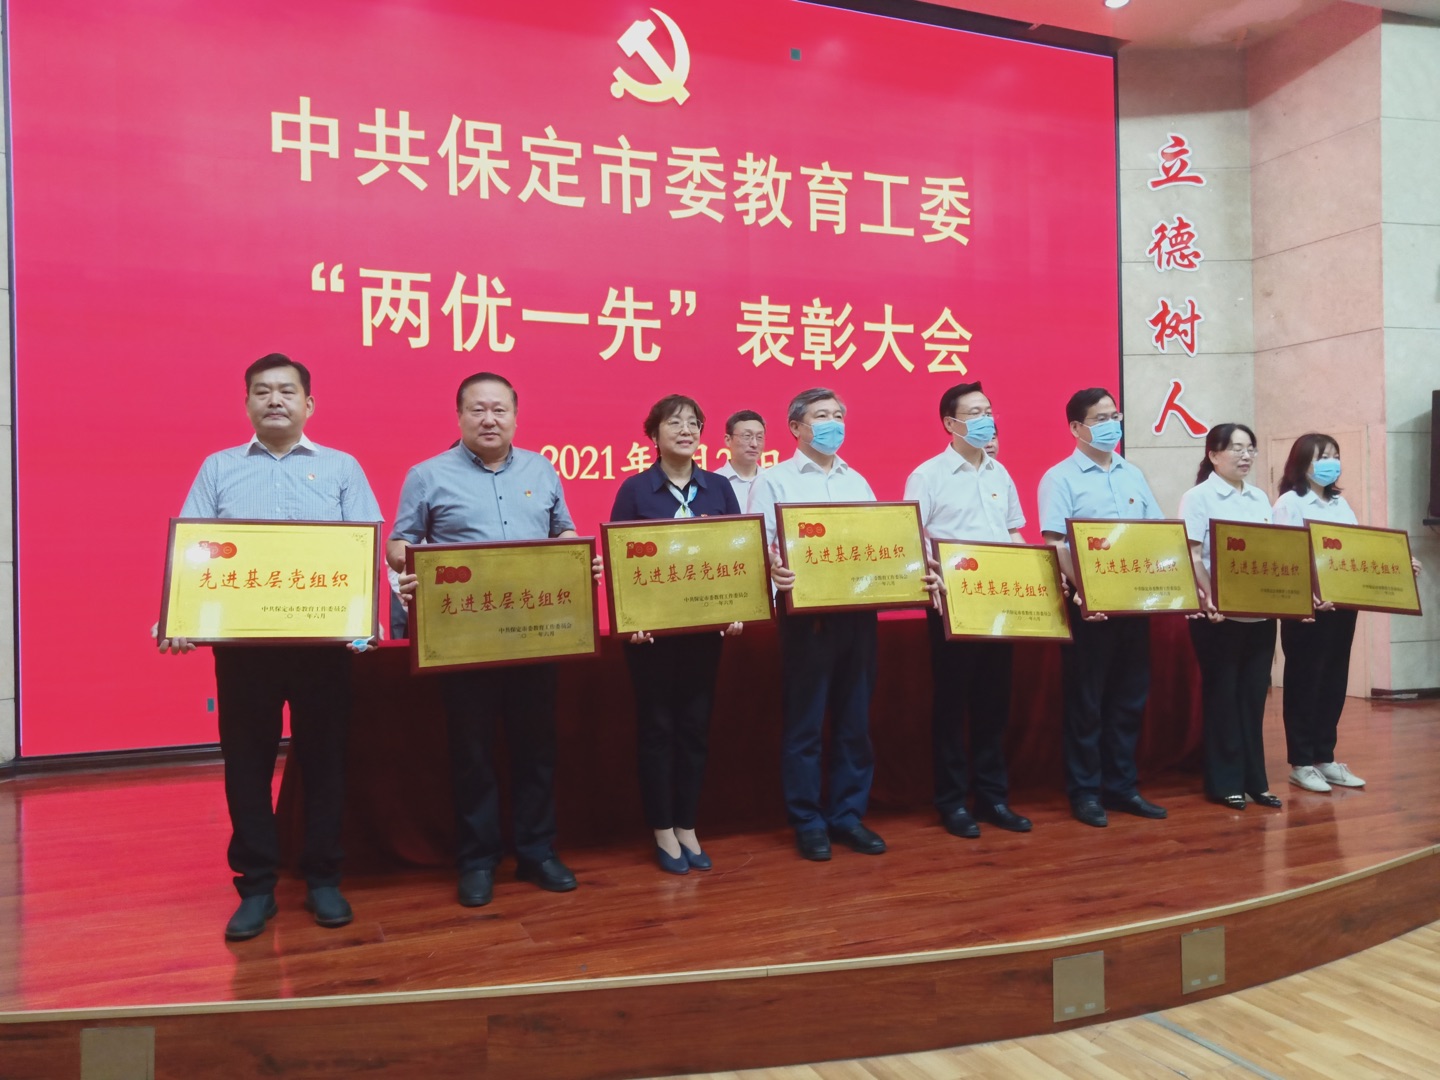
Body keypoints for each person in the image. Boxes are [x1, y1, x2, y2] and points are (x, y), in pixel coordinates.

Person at [157, 353, 382, 941]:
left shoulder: (341, 468)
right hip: (244, 651)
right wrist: (180, 616)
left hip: (322, 649)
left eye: (286, 391)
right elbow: (194, 553)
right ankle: (256, 885)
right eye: (262, 391)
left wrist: (367, 621)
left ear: (309, 403)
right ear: (247, 403)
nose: (275, 400)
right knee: (247, 763)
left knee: (326, 760)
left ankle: (323, 877)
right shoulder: (219, 468)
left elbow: (365, 551)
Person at [389, 372, 586, 907]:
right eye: (478, 409)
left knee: (536, 749)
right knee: (472, 753)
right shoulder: (427, 475)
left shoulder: (541, 469)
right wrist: (413, 566)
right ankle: (478, 860)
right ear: (459, 416)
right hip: (465, 640)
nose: (489, 419)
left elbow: (562, 530)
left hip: (535, 634)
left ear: (516, 417)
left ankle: (537, 852)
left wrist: (578, 557)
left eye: (500, 409)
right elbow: (399, 543)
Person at [609, 395, 743, 874]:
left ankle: (687, 824)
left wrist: (737, 606)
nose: (686, 430)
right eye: (674, 423)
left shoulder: (718, 489)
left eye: (693, 423)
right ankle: (662, 828)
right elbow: (621, 563)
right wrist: (630, 619)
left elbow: (736, 552)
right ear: (654, 433)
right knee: (658, 730)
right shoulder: (635, 490)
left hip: (703, 634)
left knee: (694, 729)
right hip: (652, 637)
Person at [904, 381, 1032, 838]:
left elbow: (1014, 533)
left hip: (1000, 603)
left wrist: (1034, 575)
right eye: (975, 413)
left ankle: (993, 798)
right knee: (952, 705)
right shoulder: (928, 475)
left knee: (993, 704)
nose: (986, 420)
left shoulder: (1000, 473)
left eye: (989, 411)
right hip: (952, 606)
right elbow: (912, 537)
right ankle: (953, 802)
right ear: (950, 423)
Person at [1038, 388, 1168, 828]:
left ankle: (1122, 786)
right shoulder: (1060, 478)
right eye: (1101, 418)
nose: (1112, 424)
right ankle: (1085, 792)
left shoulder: (1133, 474)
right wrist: (1087, 590)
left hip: (1133, 603)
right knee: (1086, 703)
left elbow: (1156, 534)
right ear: (1077, 428)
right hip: (1087, 608)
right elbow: (1056, 544)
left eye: (1115, 416)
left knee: (1128, 700)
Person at [1272, 434, 1420, 793]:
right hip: (1307, 611)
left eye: (1335, 455)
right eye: (1323, 456)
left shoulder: (1340, 503)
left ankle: (1325, 757)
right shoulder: (1290, 503)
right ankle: (1301, 763)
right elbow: (1283, 556)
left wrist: (1400, 564)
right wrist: (1306, 595)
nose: (1331, 462)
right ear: (1302, 462)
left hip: (1342, 607)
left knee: (1334, 681)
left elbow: (1358, 552)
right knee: (1305, 682)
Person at [1178, 423, 1282, 811]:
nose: (1245, 455)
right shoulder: (1198, 497)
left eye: (1250, 448)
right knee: (1223, 697)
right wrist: (1210, 596)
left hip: (1259, 616)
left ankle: (1256, 781)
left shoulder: (1259, 497)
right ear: (1213, 454)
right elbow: (1192, 555)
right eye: (1236, 448)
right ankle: (1224, 783)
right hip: (1217, 617)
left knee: (1254, 698)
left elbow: (1271, 553)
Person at [715, 409, 767, 511]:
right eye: (747, 436)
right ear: (728, 440)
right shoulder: (713, 483)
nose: (754, 444)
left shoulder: (772, 481)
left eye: (759, 437)